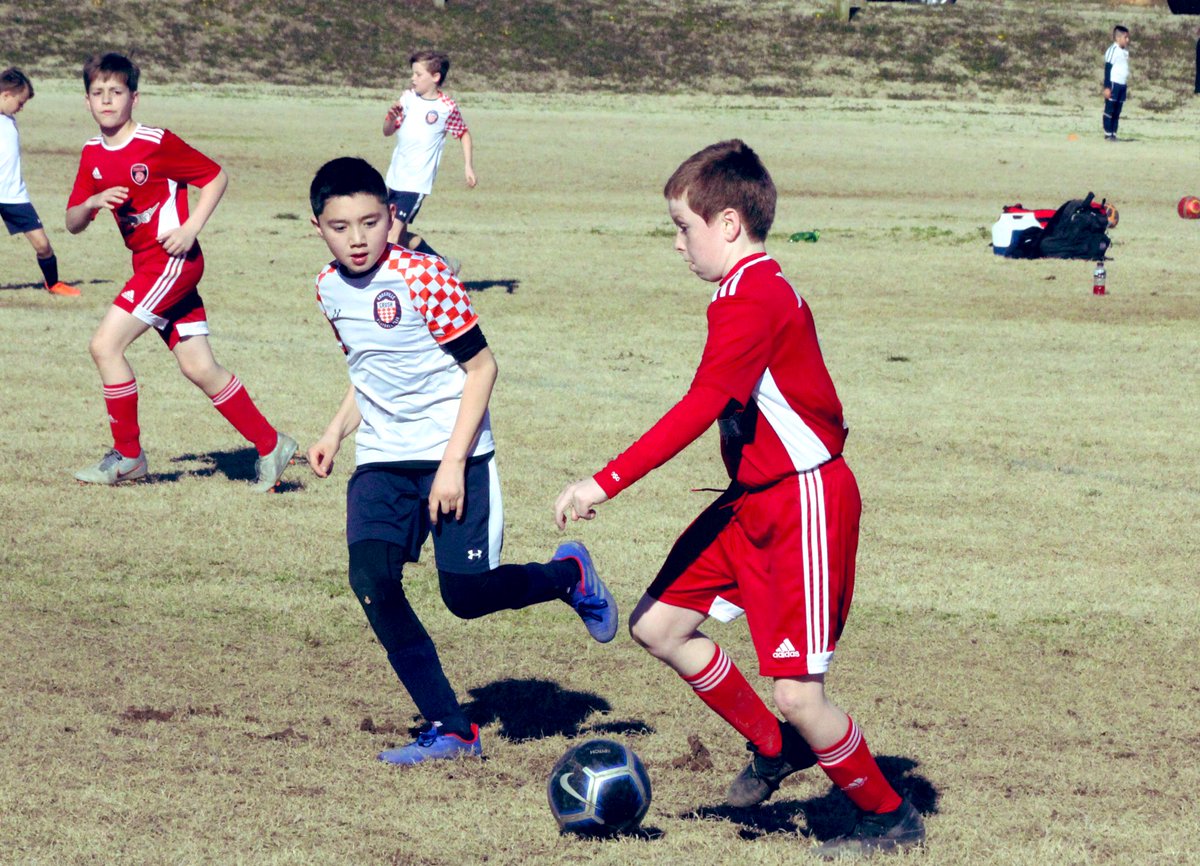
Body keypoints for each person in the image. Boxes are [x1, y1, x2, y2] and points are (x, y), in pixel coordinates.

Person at [554, 140, 925, 857]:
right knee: (660, 627)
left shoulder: (754, 296)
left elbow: (702, 406)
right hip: (750, 499)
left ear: (728, 223)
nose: (677, 243)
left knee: (800, 694)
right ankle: (775, 747)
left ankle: (889, 817)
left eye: (683, 226)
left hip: (802, 502)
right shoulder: (740, 292)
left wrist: (603, 480)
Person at [305, 156, 616, 765]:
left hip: (456, 454)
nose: (358, 238)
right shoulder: (327, 287)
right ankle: (452, 727)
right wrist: (336, 431)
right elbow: (368, 371)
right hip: (384, 459)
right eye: (341, 226)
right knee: (371, 580)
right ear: (319, 227)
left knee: (466, 597)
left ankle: (568, 576)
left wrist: (451, 464)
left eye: (371, 221)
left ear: (392, 218)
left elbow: (482, 368)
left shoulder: (425, 279)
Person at [65, 53, 296, 490]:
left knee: (104, 346)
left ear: (134, 97)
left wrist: (191, 228)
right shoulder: (92, 153)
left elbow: (215, 177)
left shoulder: (156, 142)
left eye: (117, 92)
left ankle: (129, 456)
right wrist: (92, 204)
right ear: (86, 102)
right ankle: (271, 444)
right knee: (198, 366)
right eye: (98, 93)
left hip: (171, 263)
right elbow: (72, 222)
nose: (107, 101)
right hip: (149, 265)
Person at [382, 50, 476, 263]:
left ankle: (387, 285)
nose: (412, 79)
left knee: (392, 236)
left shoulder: (445, 108)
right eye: (412, 74)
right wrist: (390, 118)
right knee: (401, 236)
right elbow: (387, 131)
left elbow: (463, 134)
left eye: (418, 74)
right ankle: (443, 266)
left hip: (416, 181)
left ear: (435, 77)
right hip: (396, 177)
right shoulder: (407, 99)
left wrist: (468, 166)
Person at [0, 68, 80, 297]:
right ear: (6, 95)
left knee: (43, 245)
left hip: (15, 196)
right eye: (20, 102)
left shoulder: (9, 119)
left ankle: (53, 284)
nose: (21, 108)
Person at [1103, 25, 1131, 142]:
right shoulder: (1112, 50)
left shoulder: (1124, 52)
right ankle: (1108, 133)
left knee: (1118, 111)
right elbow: (1108, 68)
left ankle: (1114, 133)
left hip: (1122, 84)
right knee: (1110, 110)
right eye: (1126, 37)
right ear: (1118, 38)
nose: (1127, 40)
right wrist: (1107, 87)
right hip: (1113, 84)